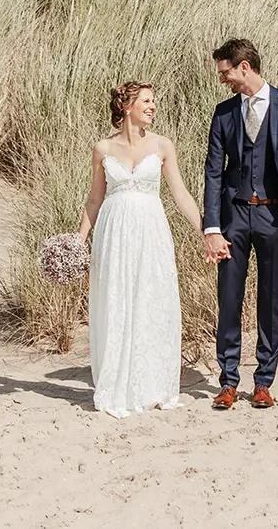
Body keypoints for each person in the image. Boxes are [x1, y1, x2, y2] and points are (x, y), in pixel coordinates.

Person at [201, 39, 278, 410]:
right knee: (229, 299)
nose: (223, 80)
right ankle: (228, 382)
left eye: (226, 73)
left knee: (270, 300)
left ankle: (264, 381)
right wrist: (213, 227)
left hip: (275, 215)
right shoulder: (222, 114)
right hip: (233, 215)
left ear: (245, 67)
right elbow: (213, 173)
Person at [77, 81, 205, 418]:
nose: (152, 107)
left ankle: (152, 384)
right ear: (127, 105)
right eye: (146, 101)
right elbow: (94, 199)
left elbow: (180, 194)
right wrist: (77, 242)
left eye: (153, 102)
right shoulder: (103, 149)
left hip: (151, 230)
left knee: (151, 298)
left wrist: (205, 230)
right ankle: (118, 383)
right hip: (113, 233)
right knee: (116, 300)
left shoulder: (163, 145)